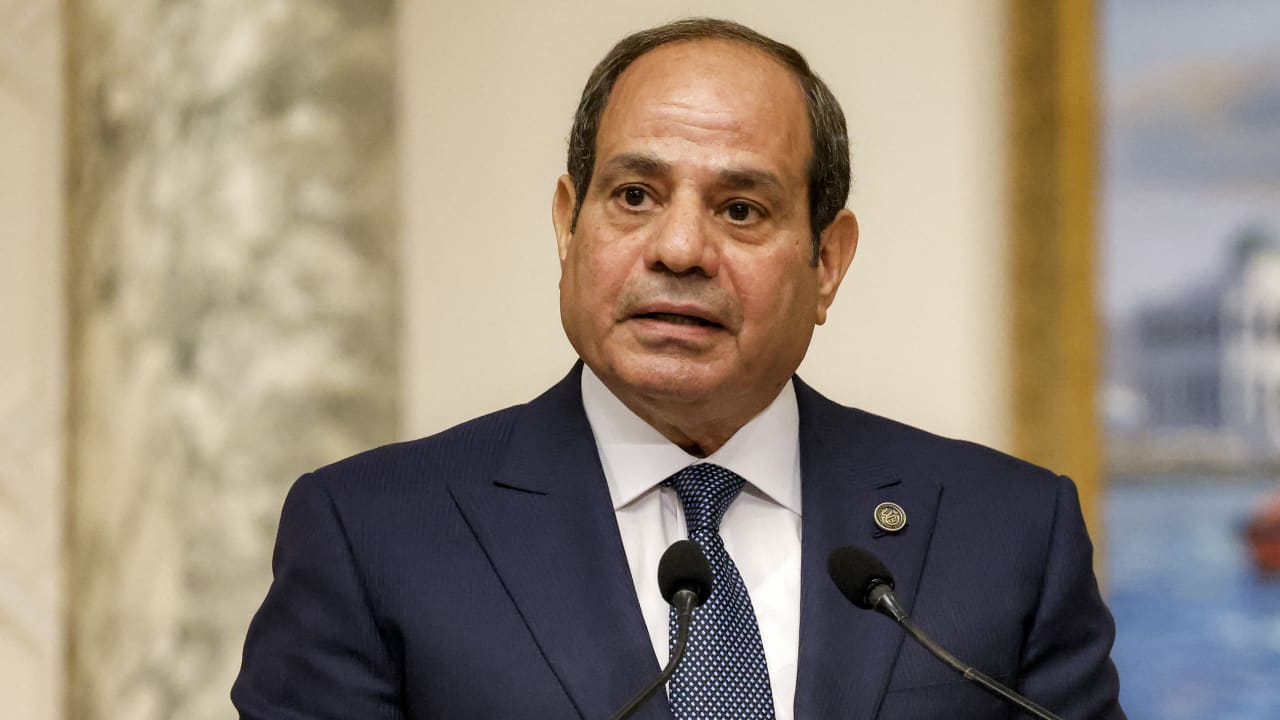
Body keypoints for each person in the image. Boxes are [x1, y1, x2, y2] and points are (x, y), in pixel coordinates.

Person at [233, 18, 1124, 719]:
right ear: (567, 225)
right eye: (634, 196)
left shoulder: (1005, 535)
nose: (681, 249)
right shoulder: (375, 535)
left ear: (826, 261)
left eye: (740, 209)